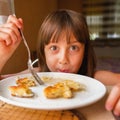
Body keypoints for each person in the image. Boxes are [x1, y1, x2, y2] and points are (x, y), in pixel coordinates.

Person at [0, 9, 120, 116]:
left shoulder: (95, 78)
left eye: (73, 48)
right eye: (54, 48)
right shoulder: (35, 76)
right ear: (44, 51)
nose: (63, 60)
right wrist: (2, 54)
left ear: (85, 50)